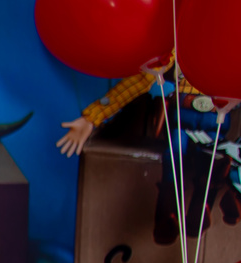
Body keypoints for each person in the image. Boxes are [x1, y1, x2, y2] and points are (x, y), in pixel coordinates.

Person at [56, 54, 231, 245]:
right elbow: (141, 80)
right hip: (183, 118)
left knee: (214, 160)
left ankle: (202, 207)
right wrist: (93, 116)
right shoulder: (178, 48)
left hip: (216, 120)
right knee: (174, 155)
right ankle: (166, 213)